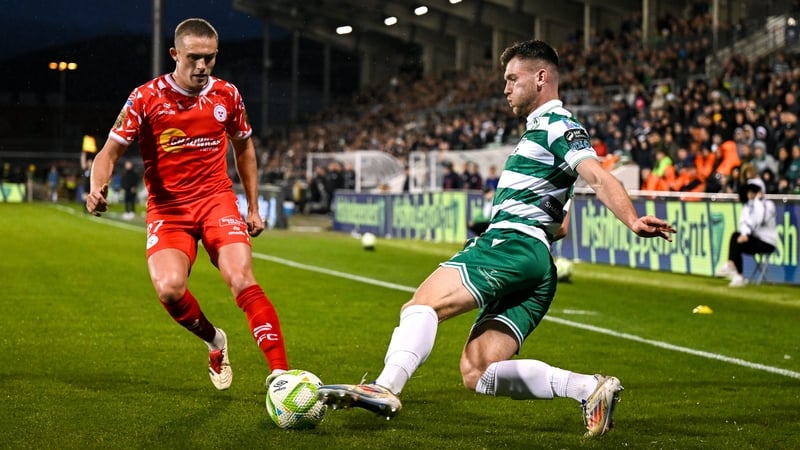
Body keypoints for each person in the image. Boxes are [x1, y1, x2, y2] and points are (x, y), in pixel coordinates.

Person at [317, 40, 676, 437]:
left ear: (541, 77)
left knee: (422, 305)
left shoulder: (558, 124)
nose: (505, 88)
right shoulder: (541, 137)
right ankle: (589, 388)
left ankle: (385, 387)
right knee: (478, 370)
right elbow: (562, 227)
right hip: (538, 263)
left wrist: (631, 220)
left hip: (513, 245)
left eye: (512, 78)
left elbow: (599, 177)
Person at [85, 18, 289, 393]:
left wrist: (253, 206)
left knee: (241, 278)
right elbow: (108, 152)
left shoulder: (227, 95)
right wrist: (97, 187)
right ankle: (215, 340)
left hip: (216, 202)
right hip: (168, 210)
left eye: (209, 58)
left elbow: (244, 148)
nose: (202, 66)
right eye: (194, 57)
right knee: (170, 289)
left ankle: (281, 375)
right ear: (175, 54)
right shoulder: (145, 98)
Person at [717, 179, 778, 287]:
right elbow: (744, 222)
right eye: (748, 191)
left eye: (752, 191)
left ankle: (733, 269)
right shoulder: (747, 206)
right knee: (736, 237)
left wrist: (757, 201)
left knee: (738, 240)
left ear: (759, 192)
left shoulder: (769, 205)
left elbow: (760, 219)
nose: (749, 194)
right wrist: (744, 234)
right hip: (754, 238)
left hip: (767, 242)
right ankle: (736, 272)